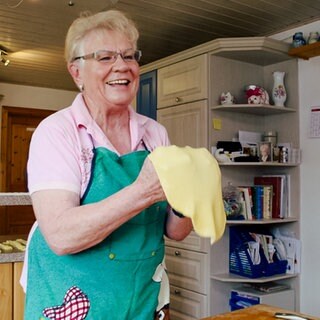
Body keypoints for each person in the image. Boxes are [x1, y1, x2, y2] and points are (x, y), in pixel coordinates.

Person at [21, 9, 193, 320]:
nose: (122, 66)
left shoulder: (155, 133)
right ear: (76, 72)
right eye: (104, 58)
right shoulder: (58, 132)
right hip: (73, 301)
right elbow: (61, 235)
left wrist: (189, 198)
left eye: (129, 56)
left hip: (141, 298)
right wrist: (143, 191)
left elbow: (176, 231)